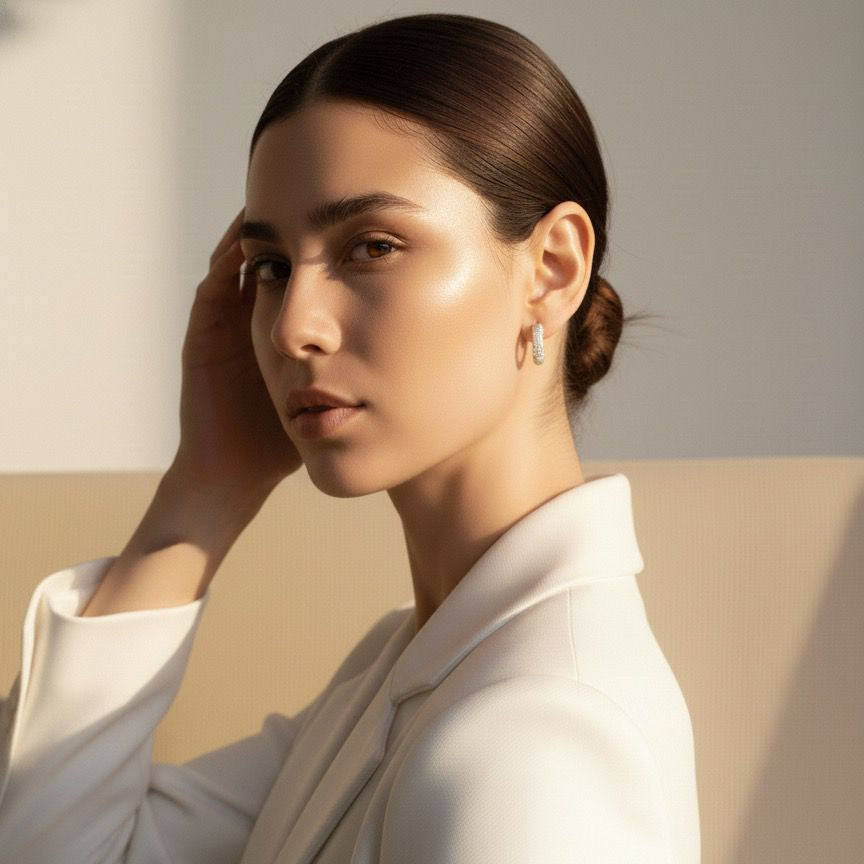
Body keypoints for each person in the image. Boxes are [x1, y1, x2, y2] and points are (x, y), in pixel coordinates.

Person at [0, 11, 700, 863]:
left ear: (551, 267)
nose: (293, 326)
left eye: (372, 245)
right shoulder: (403, 670)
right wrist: (206, 486)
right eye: (272, 267)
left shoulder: (539, 741)